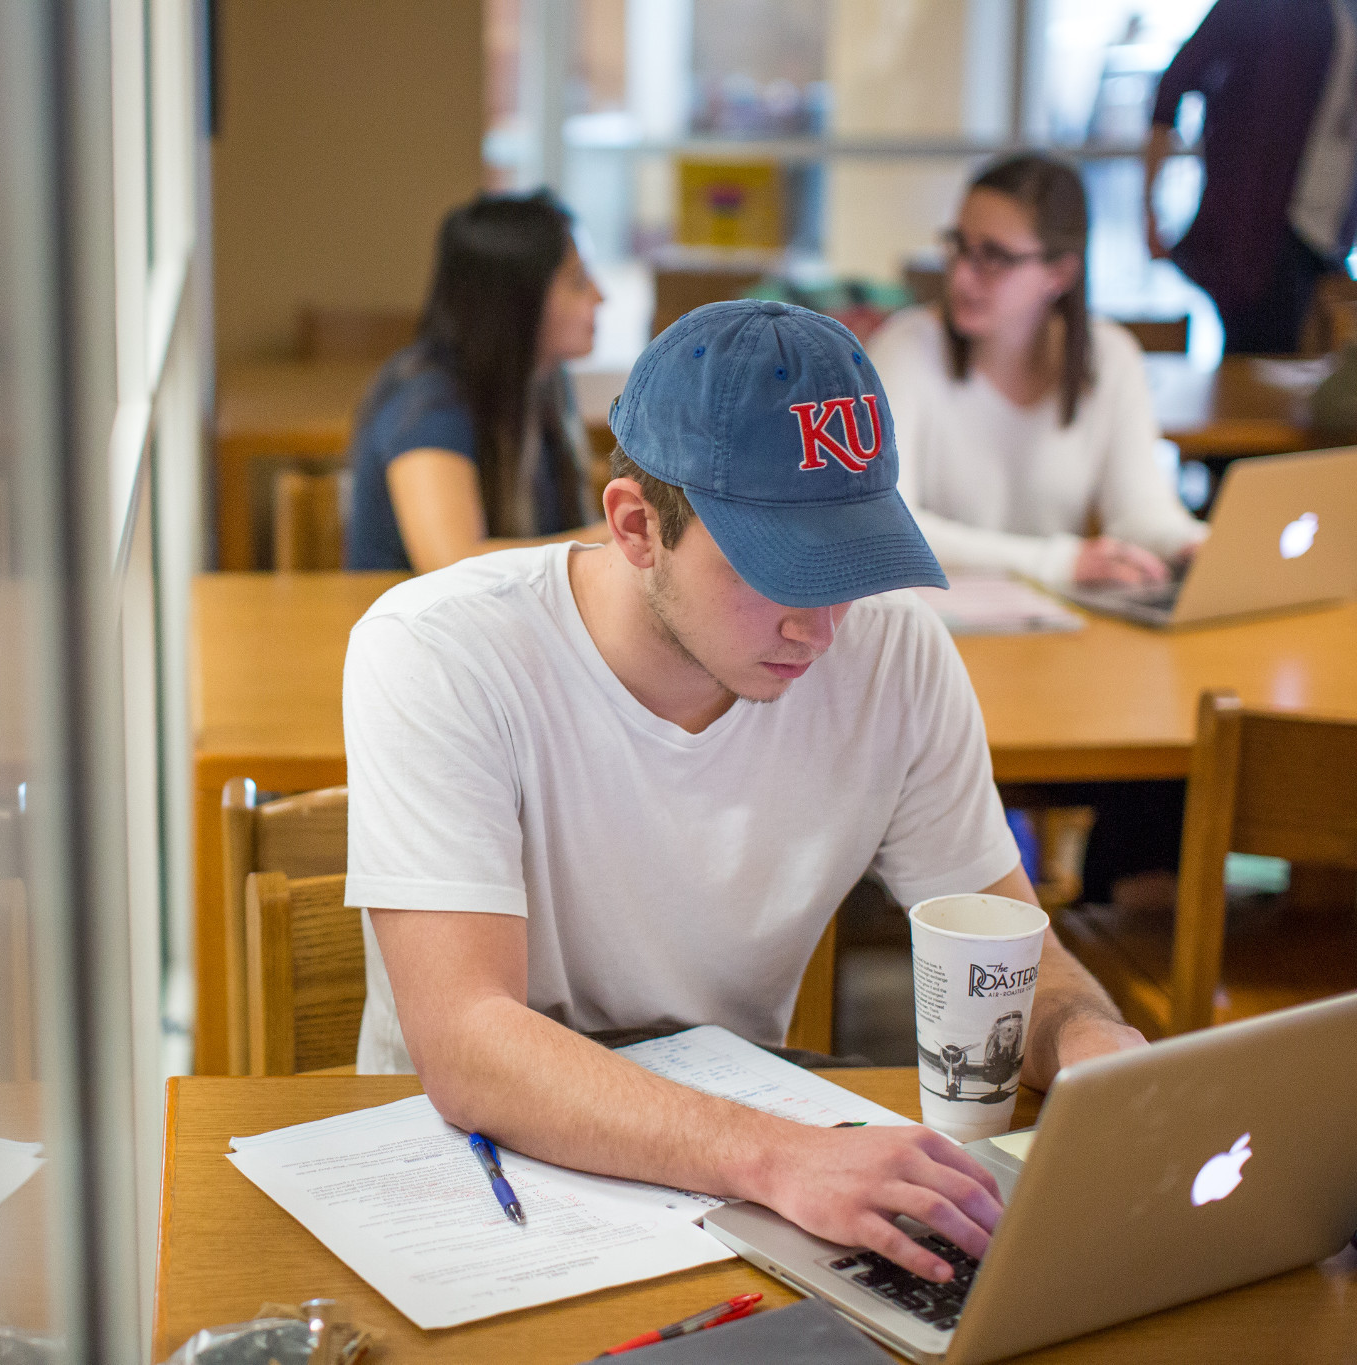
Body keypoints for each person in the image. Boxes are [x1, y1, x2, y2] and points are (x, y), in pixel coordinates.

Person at [342, 299, 1146, 1286]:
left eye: (849, 564)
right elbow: (467, 1046)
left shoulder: (895, 657)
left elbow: (1006, 953)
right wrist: (779, 1157)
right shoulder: (440, 648)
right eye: (776, 573)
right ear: (636, 527)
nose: (823, 625)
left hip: (732, 1176)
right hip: (476, 1182)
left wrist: (1085, 1038)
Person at [869, 153, 1208, 591]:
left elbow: (1140, 513)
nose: (961, 278)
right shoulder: (905, 348)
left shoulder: (1110, 356)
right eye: (958, 246)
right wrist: (1059, 563)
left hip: (1054, 629)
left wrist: (1193, 544)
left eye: (993, 256)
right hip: (937, 628)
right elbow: (888, 529)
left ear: (1060, 273)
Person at [343, 191, 613, 573]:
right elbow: (450, 565)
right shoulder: (428, 399)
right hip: (412, 628)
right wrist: (613, 536)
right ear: (515, 298)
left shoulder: (545, 382)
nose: (601, 296)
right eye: (577, 281)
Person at [1145, 0, 1357, 356]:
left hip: (1330, 240)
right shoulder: (1259, 7)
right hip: (1257, 238)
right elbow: (1172, 89)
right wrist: (1150, 208)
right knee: (1259, 376)